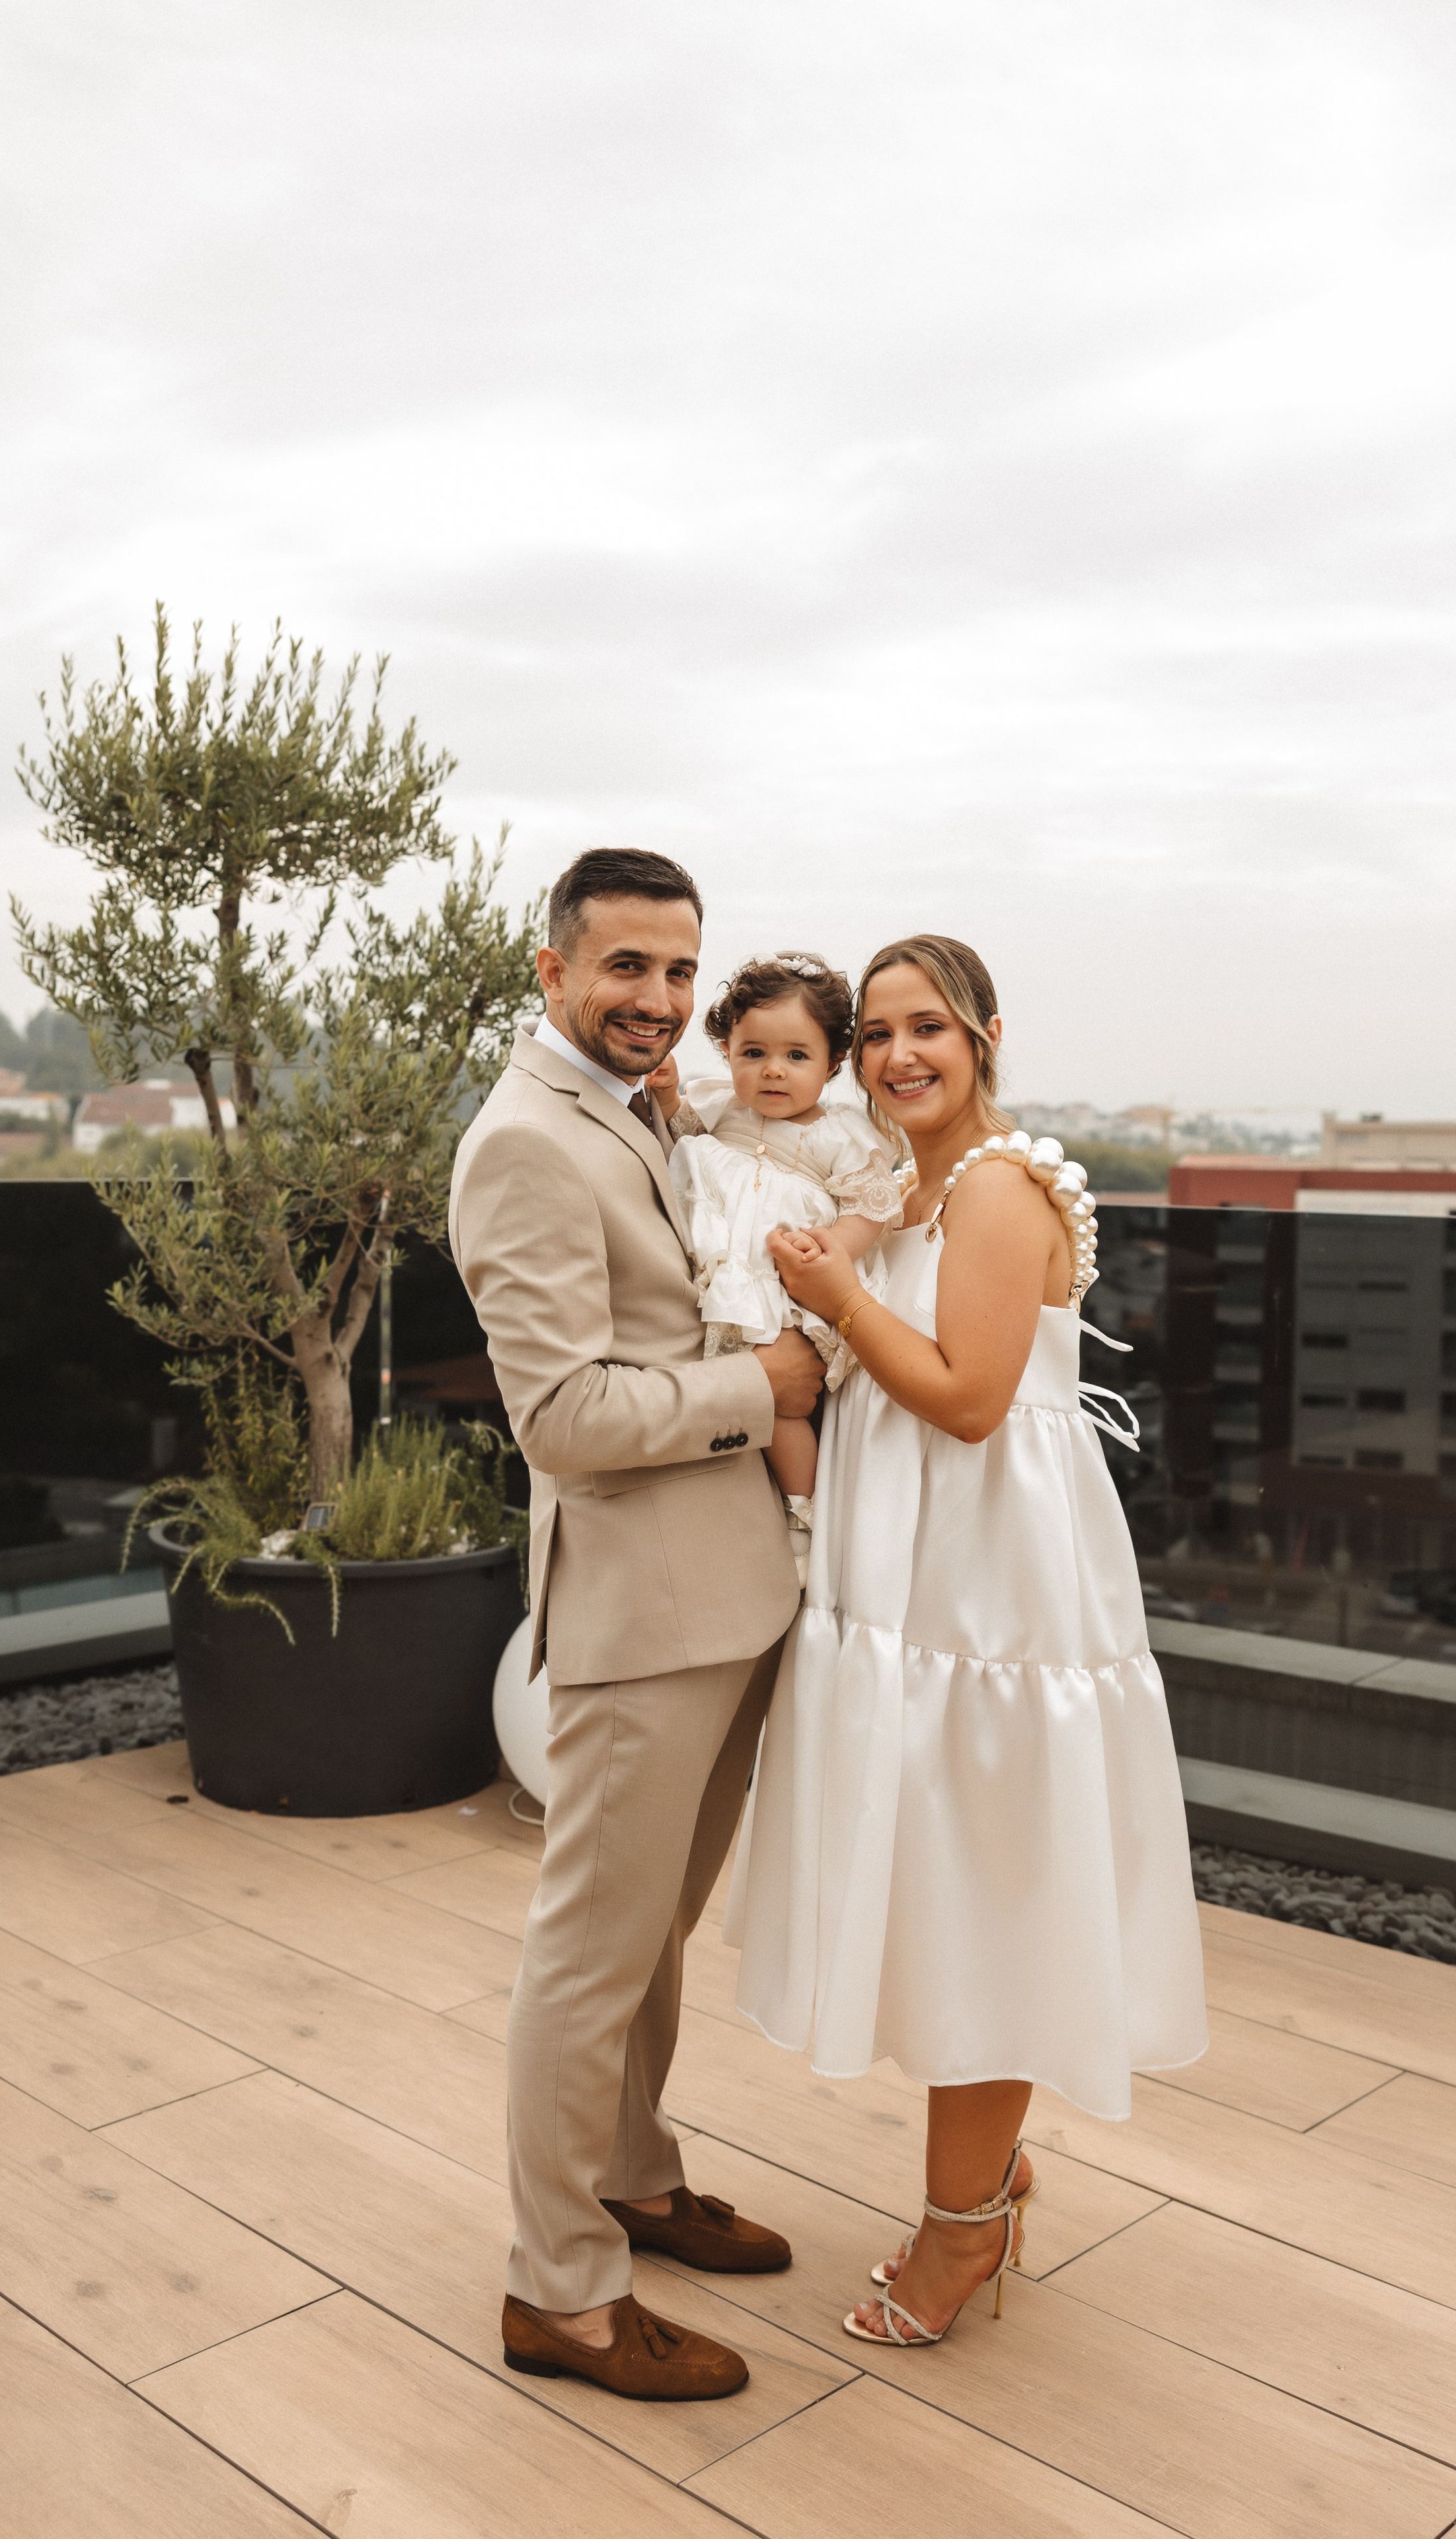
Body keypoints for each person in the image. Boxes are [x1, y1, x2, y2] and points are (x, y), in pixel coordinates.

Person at [728, 933, 1208, 2349]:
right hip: (914, 1579)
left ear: (986, 1031)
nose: (893, 1056)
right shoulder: (910, 1184)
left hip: (985, 1594)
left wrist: (837, 1303)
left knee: (981, 1891)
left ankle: (962, 2230)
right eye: (871, 1033)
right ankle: (985, 2177)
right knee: (939, 1880)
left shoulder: (996, 1191)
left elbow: (968, 1400)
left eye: (924, 1026)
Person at [448, 846, 824, 2402]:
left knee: (647, 1934)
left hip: (728, 1592)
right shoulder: (523, 1144)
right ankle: (560, 2289)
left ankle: (634, 2174)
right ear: (549, 969)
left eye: (678, 971)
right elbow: (564, 1416)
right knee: (588, 1954)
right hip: (636, 1616)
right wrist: (772, 1387)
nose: (658, 1001)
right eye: (625, 969)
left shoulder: (647, 1105)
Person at [670, 951, 903, 1582]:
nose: (774, 1071)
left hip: (785, 1286)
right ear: (727, 1053)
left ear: (831, 1064)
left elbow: (873, 1207)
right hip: (719, 1277)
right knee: (713, 1385)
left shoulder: (842, 1137)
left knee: (784, 1409)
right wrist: (664, 1094)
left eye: (797, 1056)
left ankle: (806, 1516)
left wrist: (831, 1248)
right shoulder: (717, 1108)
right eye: (754, 1053)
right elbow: (670, 1136)